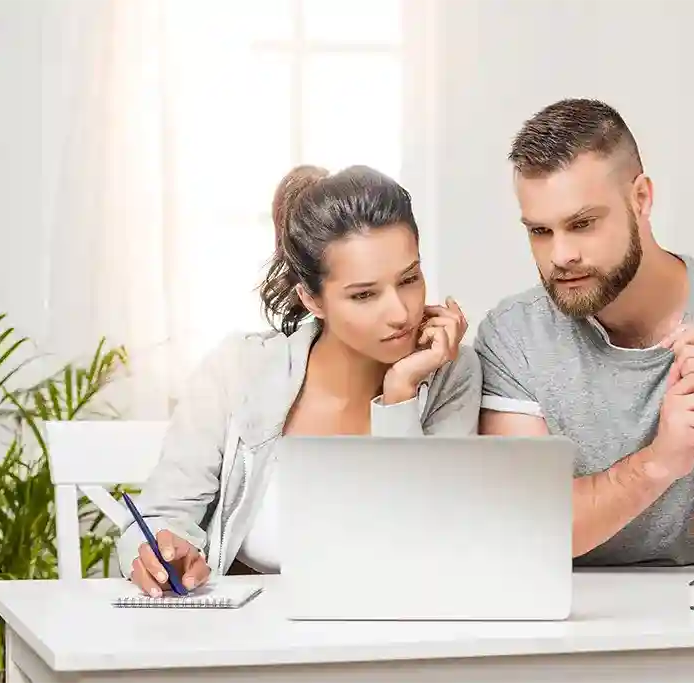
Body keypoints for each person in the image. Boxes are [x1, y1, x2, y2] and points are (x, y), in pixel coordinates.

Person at [476, 98, 694, 567]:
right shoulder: (512, 337)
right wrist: (658, 462)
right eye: (540, 231)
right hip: (573, 607)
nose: (561, 255)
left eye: (582, 224)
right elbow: (528, 529)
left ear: (641, 198)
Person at [119, 164, 482, 596]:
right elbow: (161, 515)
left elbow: (430, 540)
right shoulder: (239, 370)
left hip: (392, 624)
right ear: (312, 299)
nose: (400, 313)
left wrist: (400, 394)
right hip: (253, 629)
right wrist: (165, 552)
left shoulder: (450, 370)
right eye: (364, 294)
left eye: (409, 279)